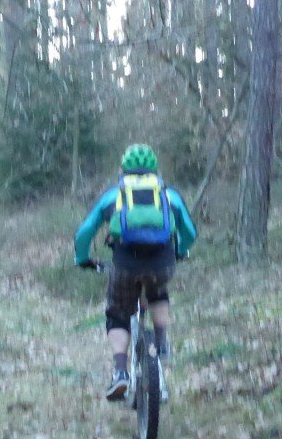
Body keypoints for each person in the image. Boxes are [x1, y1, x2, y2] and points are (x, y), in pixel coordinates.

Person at [73, 144, 197, 402]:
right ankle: (161, 343)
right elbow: (189, 232)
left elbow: (84, 233)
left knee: (118, 313)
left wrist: (82, 259)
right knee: (158, 290)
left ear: (122, 170)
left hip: (125, 265)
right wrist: (180, 251)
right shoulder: (169, 195)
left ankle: (120, 373)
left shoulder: (113, 196)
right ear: (156, 170)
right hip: (162, 263)